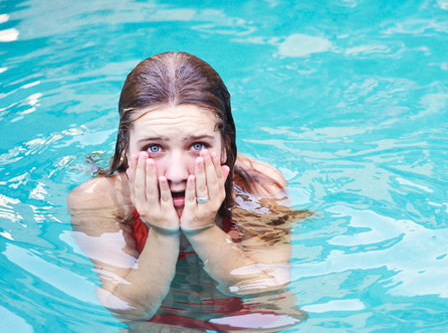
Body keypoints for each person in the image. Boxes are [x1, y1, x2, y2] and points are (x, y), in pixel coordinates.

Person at [68, 51, 306, 331]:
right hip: (162, 314)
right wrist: (162, 231)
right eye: (153, 148)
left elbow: (267, 296)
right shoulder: (101, 201)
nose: (177, 174)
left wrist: (202, 229)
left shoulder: (258, 185)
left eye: (198, 145)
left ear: (225, 142)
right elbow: (131, 310)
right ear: (126, 144)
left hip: (241, 309)